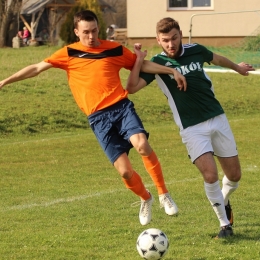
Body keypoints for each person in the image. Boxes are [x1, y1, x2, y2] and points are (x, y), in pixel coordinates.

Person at [0, 11, 187, 226]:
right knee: (125, 172)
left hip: (121, 107)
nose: (91, 36)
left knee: (142, 145)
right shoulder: (68, 53)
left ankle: (164, 193)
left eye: (95, 31)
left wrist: (170, 71)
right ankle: (146, 198)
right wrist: (5, 80)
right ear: (77, 32)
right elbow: (36, 68)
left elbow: (141, 64)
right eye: (86, 32)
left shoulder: (114, 49)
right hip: (98, 119)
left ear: (99, 29)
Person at [126, 17, 255, 236]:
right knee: (210, 175)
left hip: (217, 118)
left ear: (181, 35)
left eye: (174, 38)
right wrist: (139, 60)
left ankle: (223, 200)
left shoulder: (196, 50)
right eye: (165, 40)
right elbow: (131, 87)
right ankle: (224, 224)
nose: (171, 44)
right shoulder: (157, 63)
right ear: (158, 40)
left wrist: (236, 67)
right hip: (191, 128)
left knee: (234, 175)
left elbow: (217, 58)